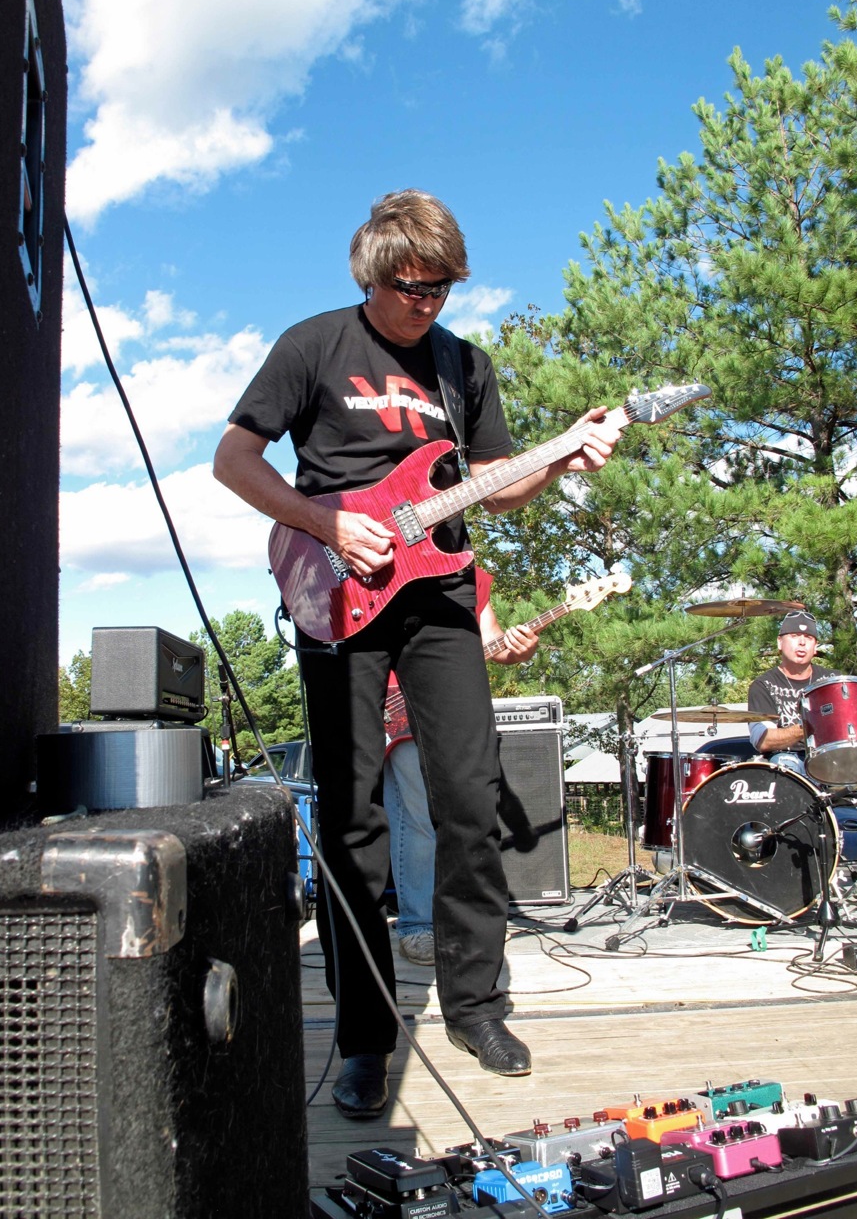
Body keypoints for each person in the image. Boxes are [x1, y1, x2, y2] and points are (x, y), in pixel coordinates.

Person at [213, 188, 620, 1119]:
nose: (427, 303)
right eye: (412, 287)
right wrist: (326, 520)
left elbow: (495, 488)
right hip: (338, 590)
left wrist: (558, 463)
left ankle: (478, 1005)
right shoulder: (314, 345)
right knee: (352, 820)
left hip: (440, 596)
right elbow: (233, 461)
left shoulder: (461, 366)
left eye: (442, 288)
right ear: (372, 273)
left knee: (469, 801)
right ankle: (365, 1038)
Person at [385, 568, 539, 966]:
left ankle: (445, 921)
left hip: (442, 706)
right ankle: (417, 923)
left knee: (451, 813)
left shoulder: (474, 577)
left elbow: (493, 645)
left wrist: (517, 648)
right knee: (413, 814)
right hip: (385, 699)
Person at [747, 611, 835, 773]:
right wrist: (810, 725)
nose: (802, 643)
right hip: (789, 756)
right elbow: (763, 740)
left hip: (831, 755)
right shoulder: (763, 685)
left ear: (815, 647)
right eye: (794, 636)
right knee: (786, 767)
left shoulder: (833, 680)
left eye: (808, 638)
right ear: (779, 643)